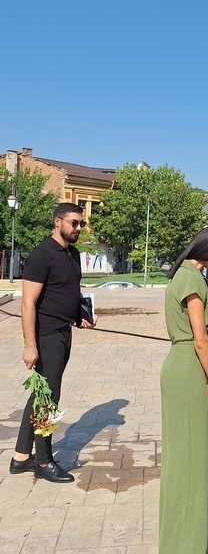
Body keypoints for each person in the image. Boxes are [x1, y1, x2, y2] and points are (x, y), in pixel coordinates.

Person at [158, 224, 208, 554]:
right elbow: (200, 339)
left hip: (181, 364)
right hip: (189, 370)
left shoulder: (183, 274)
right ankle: (185, 552)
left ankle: (175, 546)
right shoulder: (193, 280)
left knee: (182, 460)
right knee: (189, 464)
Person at [9, 203, 97, 483]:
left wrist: (80, 315)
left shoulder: (72, 254)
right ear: (57, 221)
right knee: (48, 399)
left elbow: (69, 290)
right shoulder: (42, 255)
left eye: (81, 223)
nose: (78, 228)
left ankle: (21, 457)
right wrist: (30, 345)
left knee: (40, 395)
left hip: (63, 332)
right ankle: (44, 461)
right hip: (45, 336)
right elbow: (28, 303)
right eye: (74, 223)